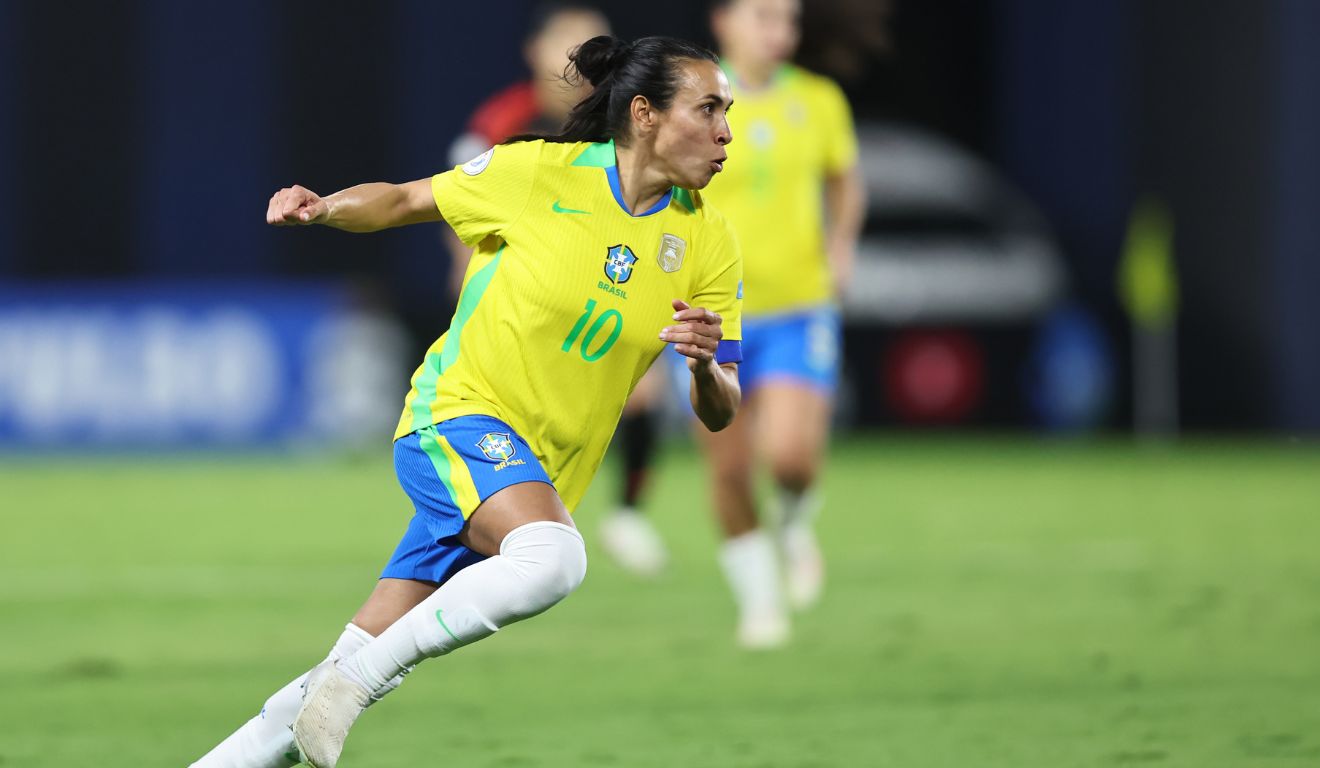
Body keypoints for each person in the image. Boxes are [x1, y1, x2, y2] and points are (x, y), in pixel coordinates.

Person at [191, 35, 741, 768]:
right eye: (708, 109)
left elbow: (723, 407)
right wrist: (323, 210)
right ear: (644, 113)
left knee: (305, 709)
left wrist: (703, 366)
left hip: (528, 479)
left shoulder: (708, 241)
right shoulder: (536, 171)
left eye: (727, 112)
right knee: (554, 560)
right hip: (456, 420)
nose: (726, 131)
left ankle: (314, 699)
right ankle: (358, 681)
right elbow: (405, 200)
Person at [445, 2, 672, 577]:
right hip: (529, 290)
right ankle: (498, 523)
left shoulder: (629, 125)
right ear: (534, 54)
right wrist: (462, 269)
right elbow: (454, 200)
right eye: (564, 45)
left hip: (607, 282)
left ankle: (627, 513)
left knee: (643, 394)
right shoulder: (500, 122)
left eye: (591, 44)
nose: (577, 60)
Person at [696, 0, 866, 648]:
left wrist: (843, 243)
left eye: (787, 20)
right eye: (763, 16)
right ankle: (760, 603)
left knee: (791, 458)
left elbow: (846, 182)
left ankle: (795, 521)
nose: (778, 33)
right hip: (713, 309)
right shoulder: (693, 97)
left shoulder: (818, 100)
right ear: (724, 21)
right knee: (730, 467)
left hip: (799, 304)